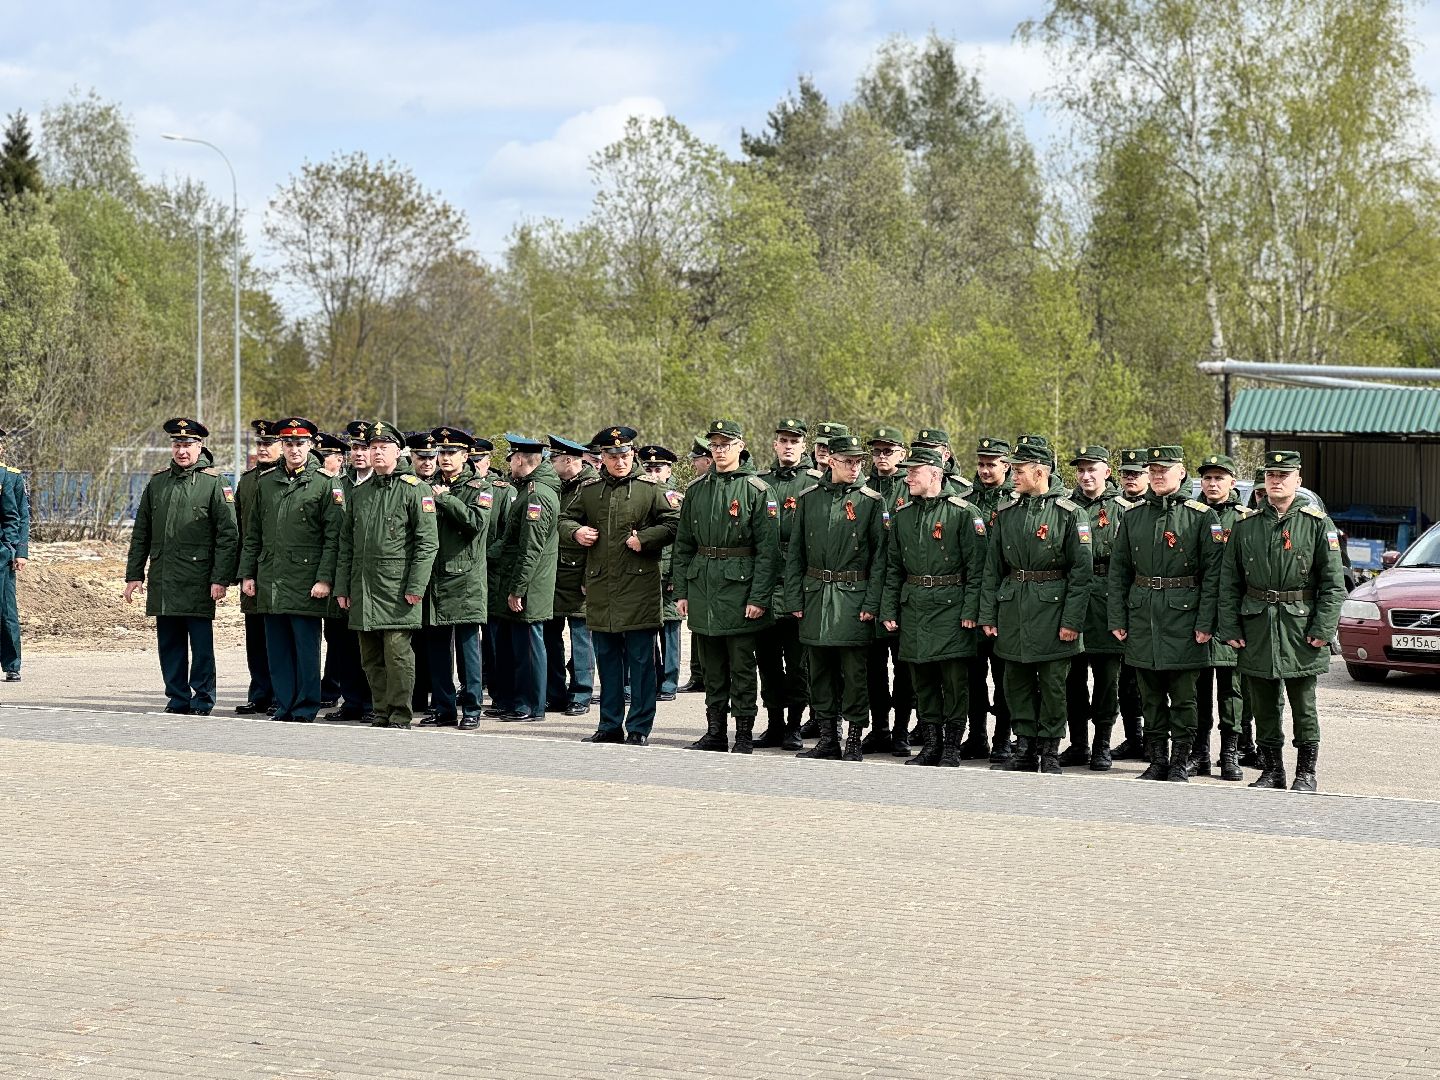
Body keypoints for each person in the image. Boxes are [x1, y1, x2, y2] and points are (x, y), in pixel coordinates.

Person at [1218, 450, 1346, 792]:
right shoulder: (1246, 526)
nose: (1277, 481)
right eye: (1271, 476)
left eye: (1283, 476)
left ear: (1297, 481)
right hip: (1257, 625)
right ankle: (1272, 770)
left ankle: (1306, 773)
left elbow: (1334, 584)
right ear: (1264, 481)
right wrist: (1230, 627)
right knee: (1263, 706)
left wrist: (1323, 628)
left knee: (1303, 705)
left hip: (1301, 628)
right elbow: (1229, 584)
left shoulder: (1317, 524)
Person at [1107, 446, 1223, 783]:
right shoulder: (1132, 516)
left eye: (1164, 469)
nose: (1158, 476)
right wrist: (1117, 618)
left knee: (1185, 698)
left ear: (1182, 472)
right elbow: (1119, 573)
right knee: (1151, 696)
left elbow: (1213, 576)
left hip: (1183, 619)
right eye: (1153, 470)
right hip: (1143, 617)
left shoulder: (1202, 517)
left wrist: (1206, 622)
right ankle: (1157, 759)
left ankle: (1180, 761)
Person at [978, 437, 1092, 774]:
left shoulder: (1071, 514)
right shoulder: (1007, 511)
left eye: (1019, 469)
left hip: (1053, 612)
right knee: (1016, 683)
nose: (1013, 474)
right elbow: (992, 568)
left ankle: (1050, 750)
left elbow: (1081, 573)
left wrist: (1072, 620)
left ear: (1039, 472)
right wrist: (988, 613)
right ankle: (1024, 747)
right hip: (1014, 609)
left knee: (1054, 687)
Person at [563, 426, 679, 745]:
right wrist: (575, 532)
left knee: (642, 664)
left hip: (639, 587)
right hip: (601, 588)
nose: (620, 461)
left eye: (625, 455)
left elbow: (674, 523)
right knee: (608, 662)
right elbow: (564, 520)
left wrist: (645, 538)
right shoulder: (589, 490)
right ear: (602, 457)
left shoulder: (651, 489)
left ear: (633, 454)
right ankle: (609, 725)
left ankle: (639, 727)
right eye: (613, 456)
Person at [672, 419, 779, 753]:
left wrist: (760, 597)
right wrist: (682, 591)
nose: (719, 451)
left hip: (740, 589)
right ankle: (715, 731)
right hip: (704, 587)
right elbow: (683, 545)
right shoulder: (697, 489)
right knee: (712, 667)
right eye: (714, 445)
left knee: (743, 667)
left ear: (740, 446)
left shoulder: (757, 489)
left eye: (726, 444)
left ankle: (744, 732)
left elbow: (769, 551)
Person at [123, 418, 238, 714]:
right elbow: (141, 533)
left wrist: (221, 578)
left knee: (201, 648)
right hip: (164, 578)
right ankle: (177, 698)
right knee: (169, 645)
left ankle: (202, 699)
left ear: (200, 447)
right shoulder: (158, 482)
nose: (182, 451)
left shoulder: (215, 483)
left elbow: (228, 535)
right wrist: (134, 574)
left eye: (188, 445)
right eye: (177, 444)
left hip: (199, 580)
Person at [879, 446, 985, 767]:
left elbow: (976, 569)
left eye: (915, 471)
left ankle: (952, 744)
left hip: (951, 607)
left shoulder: (964, 513)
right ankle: (931, 743)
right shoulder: (903, 516)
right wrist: (888, 609)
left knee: (953, 680)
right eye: (907, 470)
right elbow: (893, 568)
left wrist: (971, 611)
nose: (907, 476)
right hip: (914, 607)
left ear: (935, 475)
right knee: (921, 678)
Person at [785, 434, 888, 762]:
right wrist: (794, 600)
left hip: (853, 598)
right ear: (830, 460)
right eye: (848, 461)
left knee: (855, 673)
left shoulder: (871, 501)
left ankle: (854, 738)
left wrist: (872, 603)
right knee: (819, 670)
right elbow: (795, 554)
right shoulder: (809, 498)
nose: (855, 467)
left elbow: (880, 559)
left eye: (859, 462)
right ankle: (829, 737)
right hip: (816, 596)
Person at [334, 420, 439, 729]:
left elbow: (427, 541)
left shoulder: (415, 489)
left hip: (397, 590)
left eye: (383, 448)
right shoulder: (361, 492)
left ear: (398, 452)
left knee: (397, 655)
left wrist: (416, 585)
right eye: (373, 448)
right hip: (364, 587)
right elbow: (346, 543)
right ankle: (380, 711)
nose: (377, 453)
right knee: (370, 657)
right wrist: (344, 586)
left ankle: (400, 713)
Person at [239, 418, 344, 724]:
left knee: (305, 649)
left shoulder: (325, 483)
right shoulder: (267, 482)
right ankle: (284, 704)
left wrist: (325, 579)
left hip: (306, 581)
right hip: (271, 578)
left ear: (311, 446)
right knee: (278, 650)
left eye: (300, 444)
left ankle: (305, 705)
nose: (294, 449)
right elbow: (253, 533)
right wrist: (248, 574)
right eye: (288, 444)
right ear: (282, 446)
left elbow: (333, 537)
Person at [418, 427, 490, 730]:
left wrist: (446, 500)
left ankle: (472, 708)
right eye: (442, 453)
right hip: (434, 577)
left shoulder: (479, 487)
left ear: (465, 456)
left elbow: (475, 522)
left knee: (468, 649)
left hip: (464, 579)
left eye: (451, 453)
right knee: (436, 649)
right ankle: (444, 708)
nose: (445, 458)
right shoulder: (427, 485)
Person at [1061, 446, 1129, 770]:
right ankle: (1077, 744)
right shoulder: (1065, 507)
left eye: (1092, 470)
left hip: (1107, 600)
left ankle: (1101, 744)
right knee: (1072, 679)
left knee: (1106, 681)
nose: (1086, 476)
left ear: (1107, 472)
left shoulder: (1122, 509)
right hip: (1073, 600)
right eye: (1081, 470)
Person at [1186, 453, 1251, 780]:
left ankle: (1230, 753)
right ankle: (1198, 752)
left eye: (1218, 479)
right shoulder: (1192, 515)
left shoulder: (1243, 518)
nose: (1212, 484)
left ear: (1232, 483)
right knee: (1198, 688)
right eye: (1207, 479)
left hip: (1230, 614)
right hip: (1196, 611)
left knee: (1231, 688)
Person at [754, 418, 817, 750]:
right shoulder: (759, 484)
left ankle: (794, 724)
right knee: (767, 662)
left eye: (795, 440)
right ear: (774, 445)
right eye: (783, 440)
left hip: (798, 588)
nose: (788, 446)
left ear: (804, 445)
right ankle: (774, 723)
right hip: (764, 587)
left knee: (797, 664)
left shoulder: (814, 483)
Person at [491, 434, 561, 722]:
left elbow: (531, 548)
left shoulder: (537, 495)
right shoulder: (528, 489)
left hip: (530, 585)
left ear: (520, 459)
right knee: (515, 647)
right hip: (518, 579)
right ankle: (515, 701)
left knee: (530, 649)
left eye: (512, 459)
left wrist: (518, 589)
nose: (510, 464)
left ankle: (532, 705)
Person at [862, 425, 915, 756]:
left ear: (902, 454)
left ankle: (901, 731)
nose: (881, 457)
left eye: (888, 451)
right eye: (877, 452)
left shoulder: (909, 487)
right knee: (873, 667)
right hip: (867, 587)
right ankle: (879, 727)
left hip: (900, 588)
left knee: (904, 666)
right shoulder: (864, 488)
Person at [967, 436, 1015, 761]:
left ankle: (1002, 740)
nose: (985, 470)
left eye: (991, 464)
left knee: (1004, 678)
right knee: (973, 676)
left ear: (1006, 466)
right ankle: (977, 736)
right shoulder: (966, 502)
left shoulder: (1014, 503)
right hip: (972, 602)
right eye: (981, 464)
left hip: (1005, 602)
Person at [545, 435, 598, 717]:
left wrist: (590, 578)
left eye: (554, 459)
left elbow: (597, 535)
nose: (550, 464)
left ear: (568, 460)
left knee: (581, 638)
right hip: (554, 574)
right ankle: (554, 693)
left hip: (580, 574)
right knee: (550, 637)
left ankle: (581, 693)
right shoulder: (559, 486)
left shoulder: (592, 487)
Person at [234, 419, 280, 715]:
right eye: (260, 444)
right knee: (255, 636)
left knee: (278, 637)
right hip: (254, 568)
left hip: (280, 569)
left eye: (269, 444)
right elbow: (239, 529)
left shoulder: (283, 479)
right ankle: (260, 692)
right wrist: (241, 572)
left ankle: (281, 692)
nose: (263, 449)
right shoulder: (248, 481)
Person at [636, 445, 685, 700]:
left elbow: (681, 544)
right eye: (648, 468)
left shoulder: (675, 498)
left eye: (658, 468)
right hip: (645, 573)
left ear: (668, 470)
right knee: (647, 629)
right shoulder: (641, 496)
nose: (653, 472)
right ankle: (653, 678)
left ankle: (669, 680)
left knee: (670, 630)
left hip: (668, 575)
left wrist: (675, 578)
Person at [1111, 448, 1150, 759]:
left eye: (1136, 473)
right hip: (1126, 600)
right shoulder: (1116, 508)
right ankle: (1134, 736)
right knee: (1126, 681)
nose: (1130, 478)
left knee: (1150, 679)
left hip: (1153, 603)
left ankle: (1153, 738)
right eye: (1126, 473)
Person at [676, 436, 712, 695]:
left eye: (697, 460)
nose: (694, 464)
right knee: (698, 629)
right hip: (701, 573)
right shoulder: (695, 488)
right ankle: (698, 674)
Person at [0, 426, 30, 682]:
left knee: (6, 610)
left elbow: (17, 516)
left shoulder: (8, 477)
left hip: (1, 555)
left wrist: (16, 550)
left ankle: (11, 664)